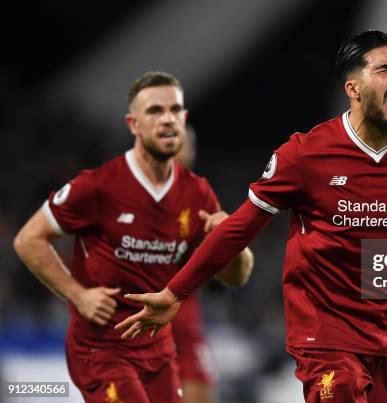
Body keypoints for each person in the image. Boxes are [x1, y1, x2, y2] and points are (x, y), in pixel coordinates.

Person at [116, 32, 387, 402]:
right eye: (383, 69)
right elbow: (241, 226)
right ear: (353, 89)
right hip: (323, 333)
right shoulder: (306, 153)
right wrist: (174, 293)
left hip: (386, 336)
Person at [13, 71, 253, 403]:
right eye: (154, 111)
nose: (167, 119)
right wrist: (77, 294)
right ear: (133, 124)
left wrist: (233, 243)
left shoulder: (198, 194)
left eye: (174, 111)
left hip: (158, 350)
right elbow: (27, 239)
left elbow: (236, 278)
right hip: (102, 349)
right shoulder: (99, 186)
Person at [172, 125, 218, 403]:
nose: (188, 151)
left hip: (186, 319)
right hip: (145, 321)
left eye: (190, 144)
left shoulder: (200, 197)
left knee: (201, 389)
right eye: (182, 144)